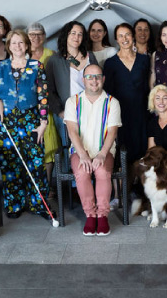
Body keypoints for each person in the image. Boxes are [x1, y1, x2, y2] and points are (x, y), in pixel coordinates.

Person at [0, 30, 49, 219]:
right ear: (9, 46)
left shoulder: (37, 66)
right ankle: (14, 204)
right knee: (10, 163)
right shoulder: (1, 67)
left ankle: (39, 204)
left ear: (27, 44)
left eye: (21, 42)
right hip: (7, 123)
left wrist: (43, 122)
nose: (17, 46)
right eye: (14, 43)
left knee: (36, 162)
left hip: (31, 121)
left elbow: (43, 96)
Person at [64, 64, 121, 236]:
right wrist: (82, 155)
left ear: (103, 79)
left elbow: (112, 131)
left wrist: (102, 154)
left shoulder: (112, 102)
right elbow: (72, 130)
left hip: (104, 150)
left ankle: (102, 216)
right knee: (82, 172)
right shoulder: (72, 101)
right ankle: (90, 215)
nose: (93, 80)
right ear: (83, 80)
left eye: (97, 76)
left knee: (102, 172)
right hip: (80, 151)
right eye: (89, 77)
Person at [46, 21, 98, 151]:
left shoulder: (90, 56)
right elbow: (48, 89)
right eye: (73, 33)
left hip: (91, 110)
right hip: (67, 113)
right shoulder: (55, 60)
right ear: (66, 35)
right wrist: (59, 111)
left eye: (80, 34)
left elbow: (99, 82)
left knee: (92, 146)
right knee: (69, 148)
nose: (76, 37)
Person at [103, 23, 150, 165]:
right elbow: (108, 92)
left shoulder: (144, 60)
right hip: (121, 114)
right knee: (123, 153)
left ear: (133, 36)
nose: (125, 38)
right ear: (116, 39)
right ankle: (125, 186)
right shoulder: (110, 63)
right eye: (120, 36)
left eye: (127, 34)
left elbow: (149, 86)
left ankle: (141, 186)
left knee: (143, 151)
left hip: (142, 112)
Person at [28, 22, 59, 183]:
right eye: (32, 34)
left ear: (44, 36)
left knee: (48, 145)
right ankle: (33, 186)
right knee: (31, 145)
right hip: (27, 108)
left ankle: (46, 186)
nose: (35, 37)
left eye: (39, 34)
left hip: (46, 107)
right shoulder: (22, 55)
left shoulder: (51, 54)